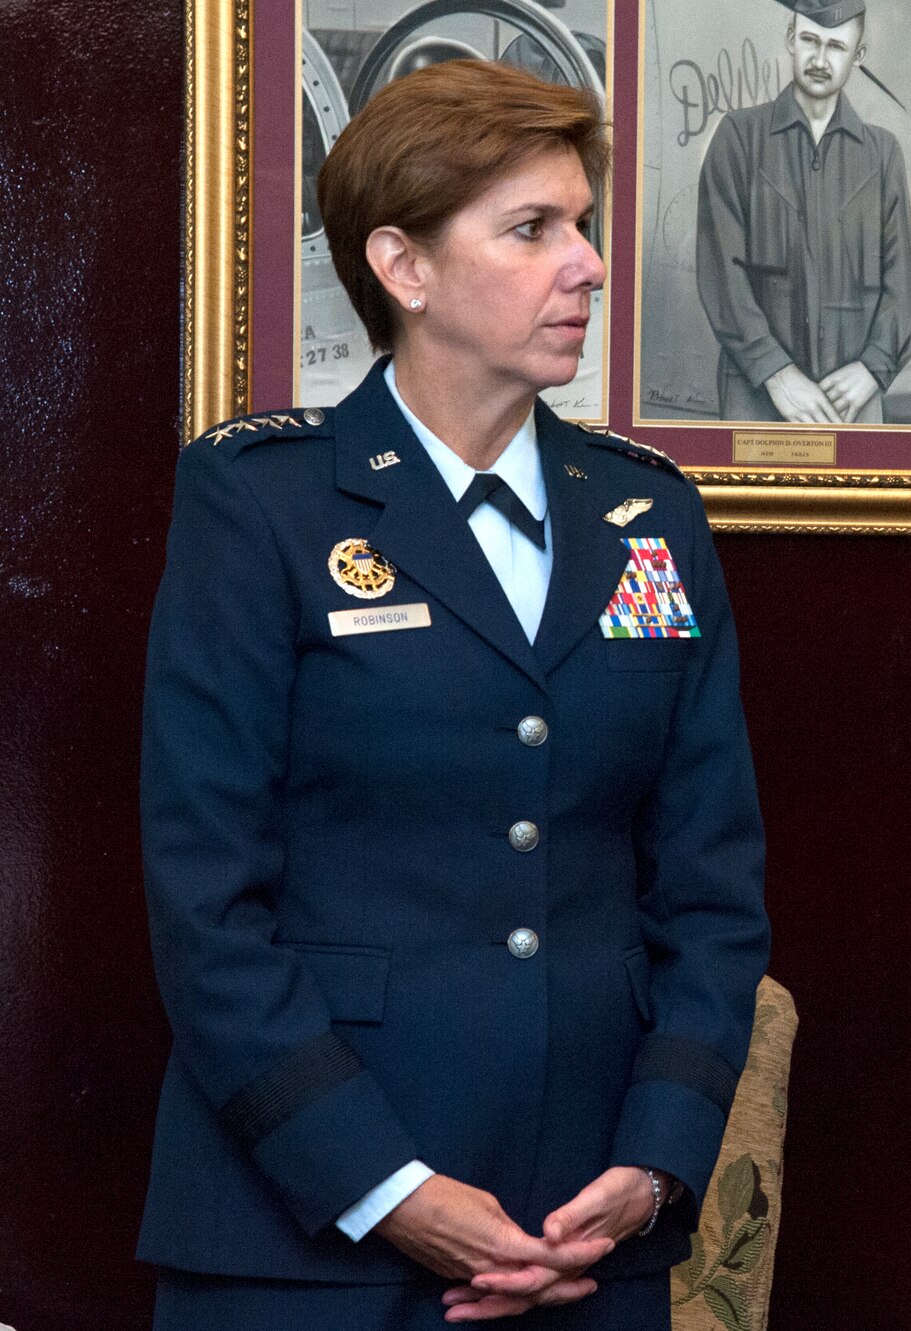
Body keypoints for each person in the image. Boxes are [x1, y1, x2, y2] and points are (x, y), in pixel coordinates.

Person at [139, 60, 769, 1328]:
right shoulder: (262, 503)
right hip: (305, 1230)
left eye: (582, 224)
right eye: (532, 229)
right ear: (404, 267)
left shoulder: (647, 515)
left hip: (579, 1228)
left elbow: (711, 887)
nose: (588, 265)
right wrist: (384, 1185)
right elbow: (205, 898)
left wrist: (652, 1166)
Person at [695, 0, 911, 425]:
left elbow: (902, 285)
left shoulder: (882, 155)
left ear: (859, 55)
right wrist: (776, 373)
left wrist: (873, 369)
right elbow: (721, 273)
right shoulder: (738, 138)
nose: (819, 59)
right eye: (810, 41)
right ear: (790, 39)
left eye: (836, 47)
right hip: (755, 399)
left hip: (851, 402)